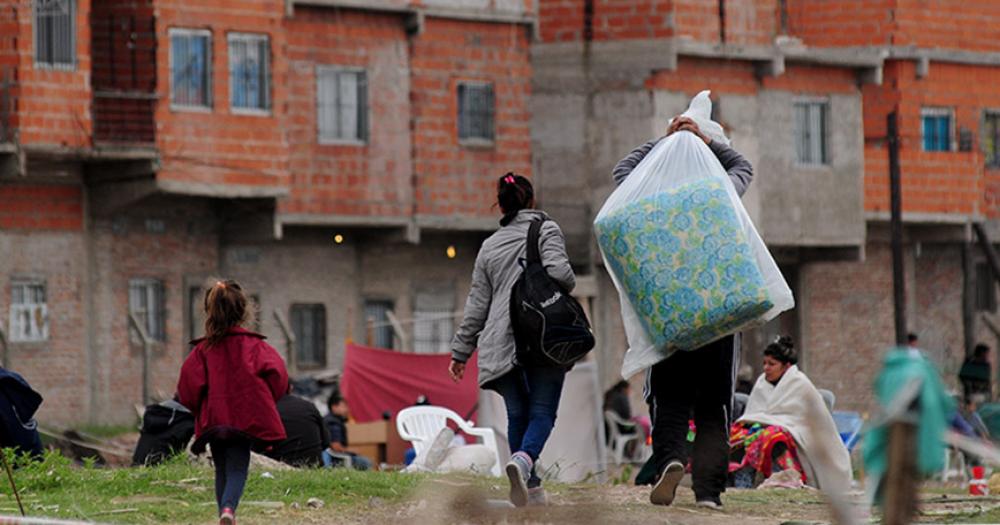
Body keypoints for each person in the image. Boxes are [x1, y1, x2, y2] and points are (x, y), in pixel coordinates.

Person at [613, 114, 753, 509]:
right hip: (717, 317)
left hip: (669, 318)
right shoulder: (719, 191)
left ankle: (671, 461)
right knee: (714, 406)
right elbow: (744, 165)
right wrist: (703, 142)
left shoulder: (650, 194)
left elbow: (621, 171)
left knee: (670, 399)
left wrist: (666, 142)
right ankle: (708, 492)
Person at [449, 173, 576, 508]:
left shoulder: (489, 247)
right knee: (543, 411)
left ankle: (531, 490)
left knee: (518, 414)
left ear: (500, 205)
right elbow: (562, 275)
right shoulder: (546, 229)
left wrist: (461, 352)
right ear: (531, 201)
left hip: (500, 342)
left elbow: (477, 304)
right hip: (543, 337)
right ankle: (523, 462)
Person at [177, 280, 288, 525]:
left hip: (215, 421)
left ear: (210, 312)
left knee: (221, 468)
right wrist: (264, 400)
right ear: (244, 311)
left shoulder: (203, 351)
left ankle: (224, 514)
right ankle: (228, 510)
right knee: (238, 467)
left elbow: (187, 388)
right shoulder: (256, 347)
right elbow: (279, 377)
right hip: (244, 420)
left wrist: (200, 409)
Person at [730, 337, 852, 493]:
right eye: (764, 363)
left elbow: (803, 422)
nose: (766, 368)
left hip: (800, 436)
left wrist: (775, 426)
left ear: (786, 366)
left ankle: (783, 482)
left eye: (772, 364)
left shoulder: (800, 384)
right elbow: (755, 413)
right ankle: (742, 485)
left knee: (773, 437)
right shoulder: (762, 383)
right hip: (765, 429)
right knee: (739, 436)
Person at [266, 388, 330, 468]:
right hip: (314, 467)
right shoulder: (308, 406)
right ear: (291, 388)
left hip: (278, 468)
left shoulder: (265, 408)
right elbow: (326, 442)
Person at [322, 391, 372, 470]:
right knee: (366, 462)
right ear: (334, 407)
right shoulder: (333, 423)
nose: (347, 410)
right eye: (344, 406)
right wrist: (352, 451)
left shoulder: (328, 420)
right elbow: (336, 447)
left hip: (331, 456)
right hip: (336, 458)